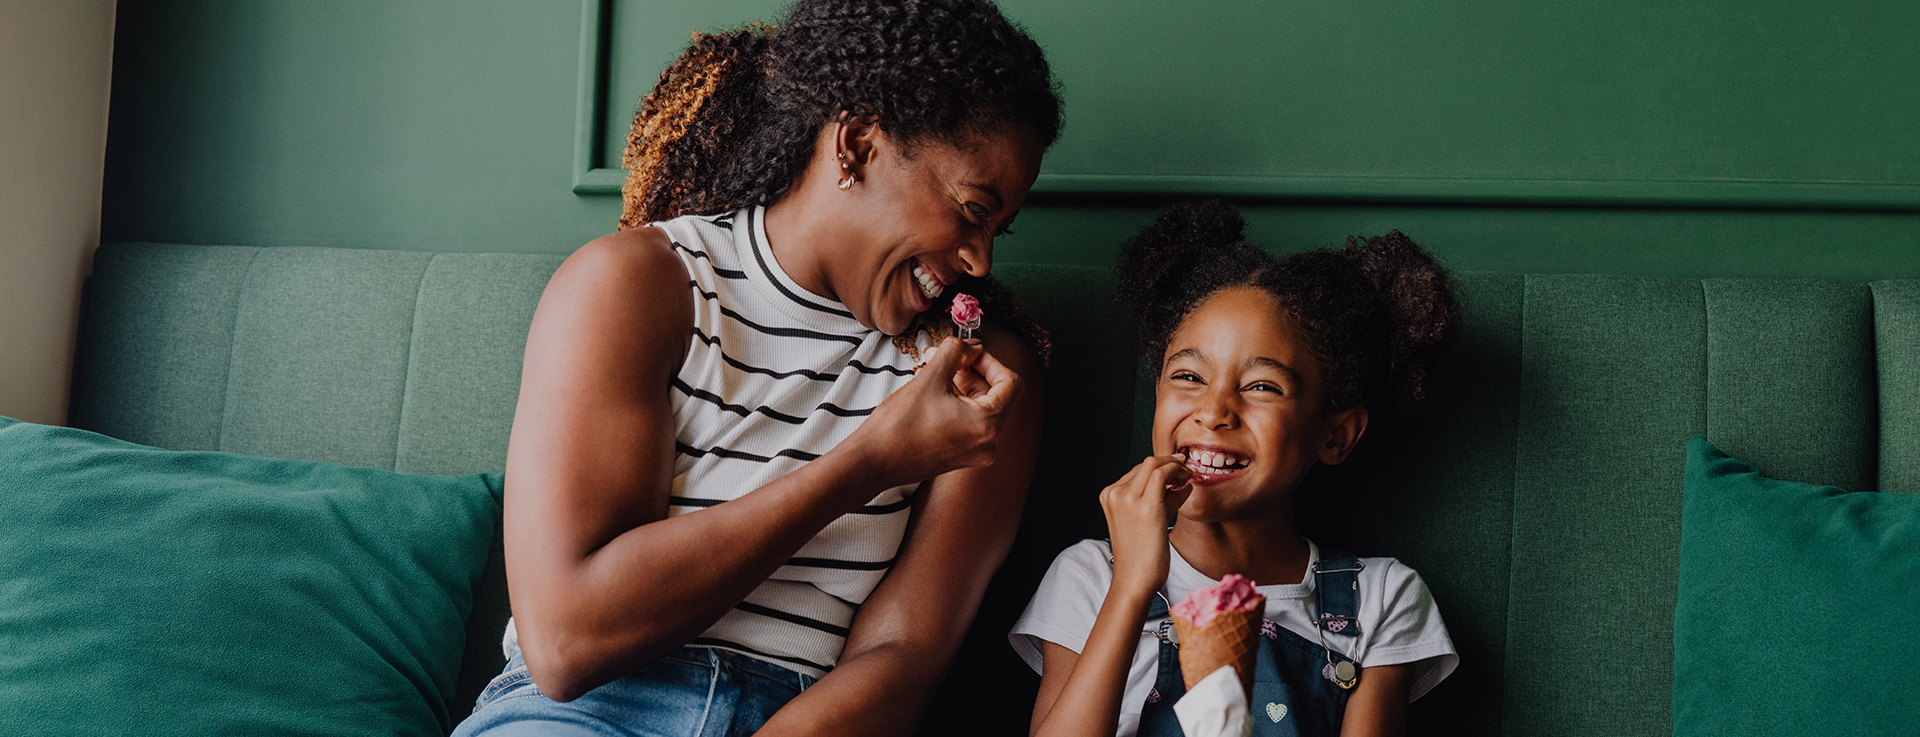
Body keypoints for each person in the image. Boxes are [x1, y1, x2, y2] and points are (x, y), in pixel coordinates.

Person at [456, 1, 1062, 734]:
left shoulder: (979, 382)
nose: (980, 260)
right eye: (971, 210)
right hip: (589, 711)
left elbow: (905, 656)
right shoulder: (641, 289)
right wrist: (869, 461)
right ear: (859, 144)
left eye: (998, 229)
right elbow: (566, 641)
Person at [1011, 201, 1463, 737]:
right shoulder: (1091, 577)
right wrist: (1133, 587)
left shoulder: (1382, 598)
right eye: (1187, 376)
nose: (1213, 410)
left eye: (1261, 387)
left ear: (1335, 434)